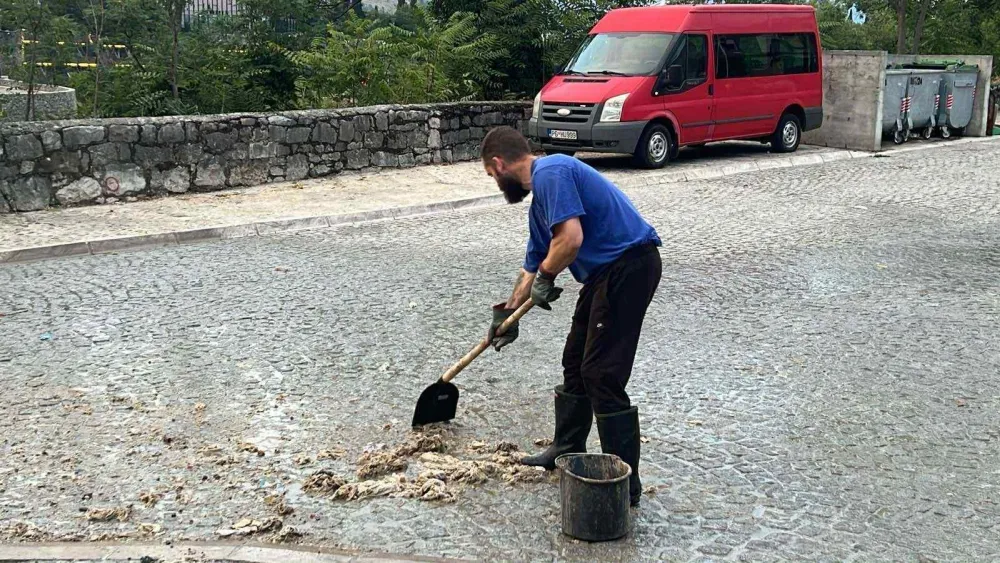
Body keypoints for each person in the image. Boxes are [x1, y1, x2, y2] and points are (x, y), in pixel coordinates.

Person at [481, 126, 662, 506]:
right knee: (575, 363)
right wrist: (507, 315)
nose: (497, 184)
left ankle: (624, 481)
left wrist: (547, 275)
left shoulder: (553, 172)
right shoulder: (541, 203)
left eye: (492, 176)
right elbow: (532, 265)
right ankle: (566, 449)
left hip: (628, 266)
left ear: (499, 164)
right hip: (602, 276)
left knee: (601, 372)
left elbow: (570, 240)